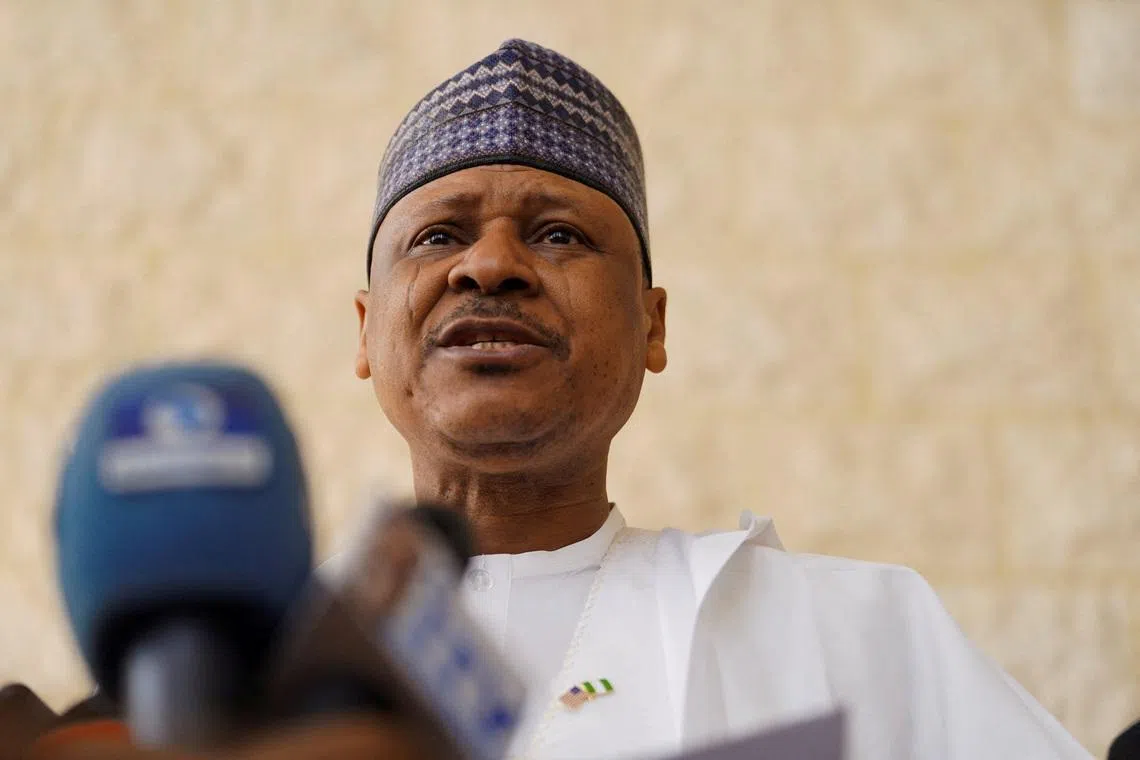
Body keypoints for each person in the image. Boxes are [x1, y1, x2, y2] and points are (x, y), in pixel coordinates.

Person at [343, 38, 1095, 760]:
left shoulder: (857, 634)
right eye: (439, 235)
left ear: (652, 326)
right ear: (367, 329)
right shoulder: (259, 675)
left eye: (560, 235)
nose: (493, 264)